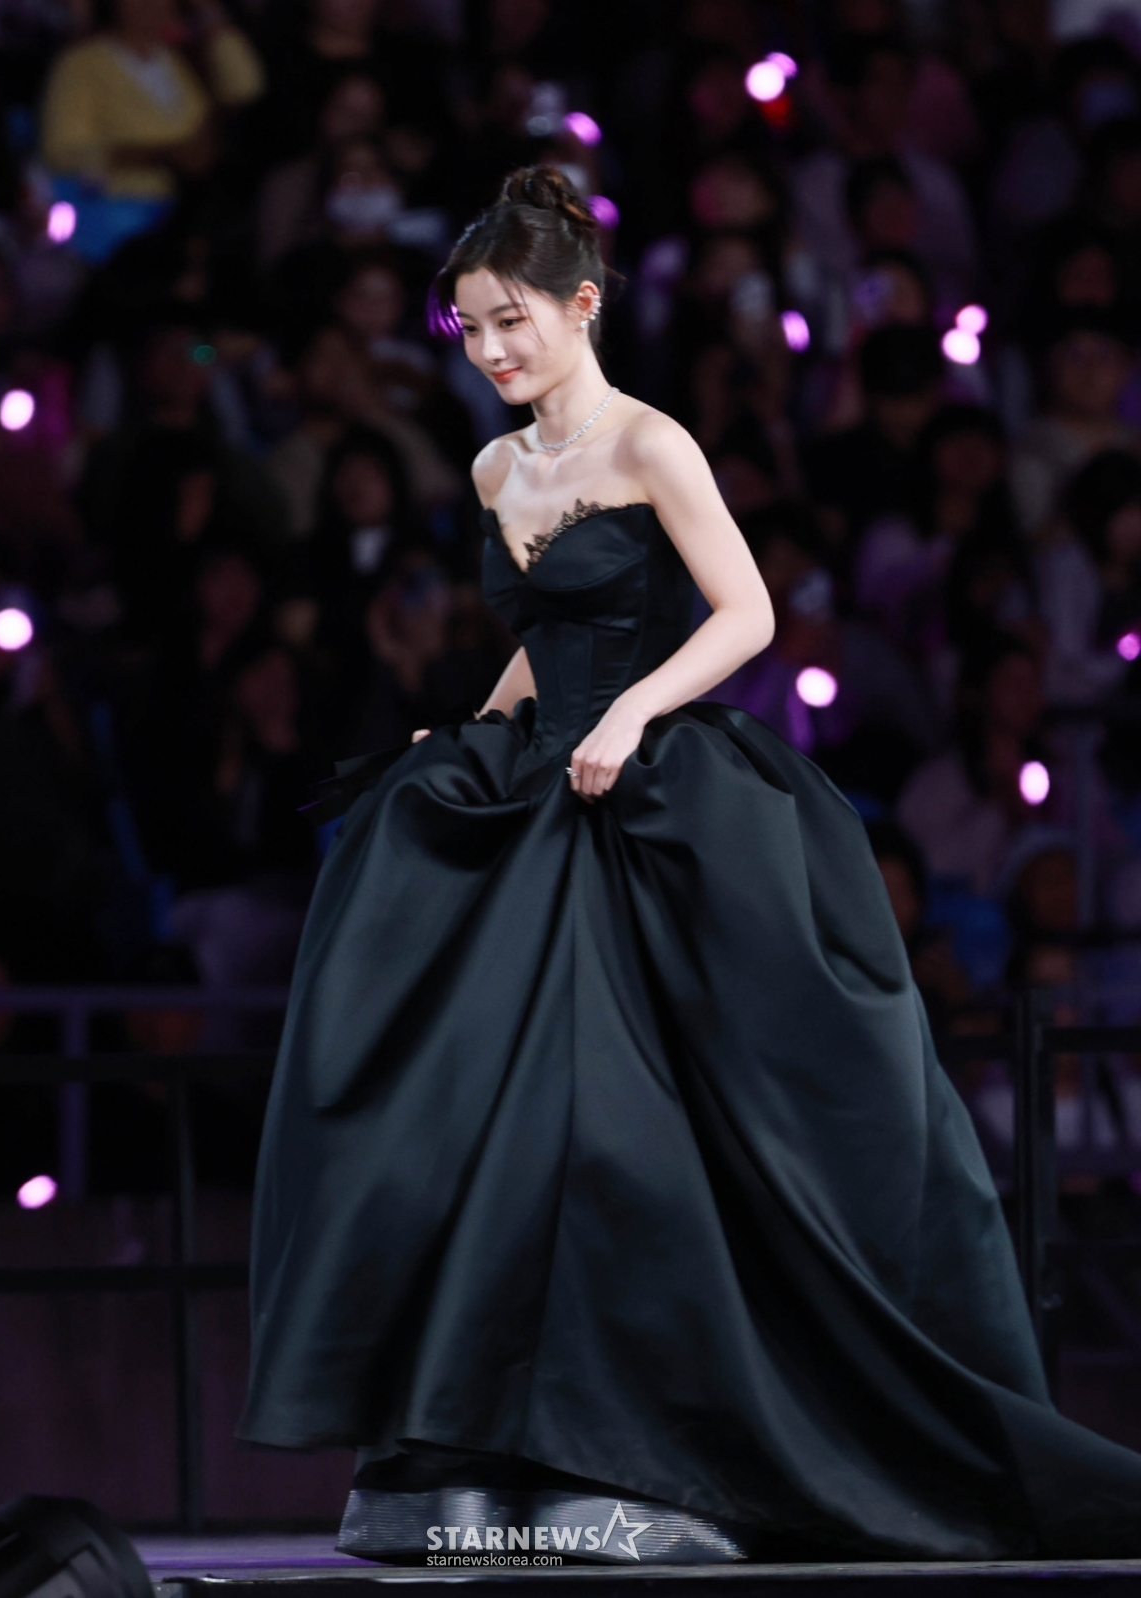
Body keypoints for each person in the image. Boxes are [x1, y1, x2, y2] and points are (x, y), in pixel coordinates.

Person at [237, 164, 1141, 1565]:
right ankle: (470, 1441)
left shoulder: (653, 443)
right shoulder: (494, 469)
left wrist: (635, 714)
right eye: (472, 327)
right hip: (542, 782)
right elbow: (539, 635)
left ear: (582, 305)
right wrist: (476, 726)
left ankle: (658, 1448)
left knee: (640, 1124)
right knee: (475, 1101)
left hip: (655, 791)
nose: (490, 349)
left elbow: (747, 612)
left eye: (513, 320)